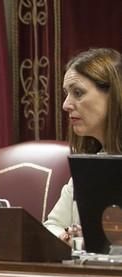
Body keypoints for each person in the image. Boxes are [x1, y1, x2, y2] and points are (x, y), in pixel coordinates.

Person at [44, 48, 122, 246]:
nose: (65, 105)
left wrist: (82, 240)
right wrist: (70, 239)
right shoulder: (91, 164)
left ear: (114, 95)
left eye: (77, 93)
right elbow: (51, 226)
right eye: (66, 94)